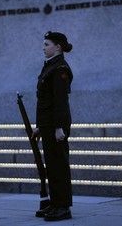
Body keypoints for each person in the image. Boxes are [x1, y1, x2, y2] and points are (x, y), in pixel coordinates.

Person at [33, 31, 74, 221]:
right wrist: (41, 127)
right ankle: (55, 203)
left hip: (56, 127)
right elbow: (45, 102)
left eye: (46, 44)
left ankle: (63, 206)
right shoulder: (50, 67)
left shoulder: (60, 69)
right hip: (49, 126)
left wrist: (59, 128)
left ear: (57, 47)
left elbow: (60, 101)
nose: (43, 47)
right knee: (52, 166)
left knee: (59, 166)